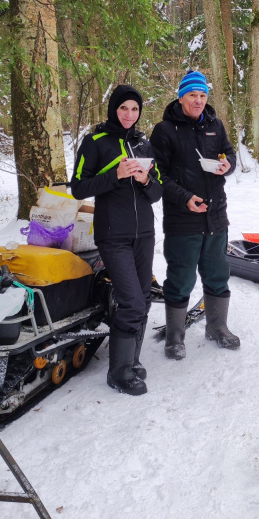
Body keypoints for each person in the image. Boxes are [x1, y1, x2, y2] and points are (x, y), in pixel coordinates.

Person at [72, 84, 162, 396]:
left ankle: (131, 362)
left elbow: (156, 193)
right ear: (114, 109)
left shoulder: (143, 143)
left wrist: (145, 179)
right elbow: (79, 188)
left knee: (144, 299)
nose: (129, 114)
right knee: (132, 301)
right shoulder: (95, 142)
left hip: (144, 233)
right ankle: (119, 373)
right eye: (124, 108)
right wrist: (116, 175)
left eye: (135, 109)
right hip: (113, 234)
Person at [150, 70, 239, 360]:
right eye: (192, 95)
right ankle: (175, 337)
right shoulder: (165, 130)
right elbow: (158, 175)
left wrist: (229, 164)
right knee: (180, 278)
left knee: (217, 274)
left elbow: (229, 153)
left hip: (215, 215)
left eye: (202, 95)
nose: (198, 100)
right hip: (182, 219)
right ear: (181, 96)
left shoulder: (216, 125)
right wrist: (185, 198)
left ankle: (217, 327)